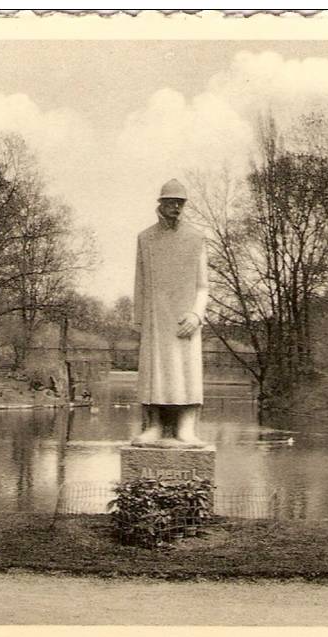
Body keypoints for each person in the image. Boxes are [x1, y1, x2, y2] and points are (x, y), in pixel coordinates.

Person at [132, 178, 208, 446]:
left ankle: (186, 428)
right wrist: (139, 320)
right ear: (161, 204)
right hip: (156, 320)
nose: (176, 207)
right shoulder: (145, 238)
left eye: (181, 202)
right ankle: (154, 426)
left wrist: (196, 316)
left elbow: (203, 286)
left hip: (185, 321)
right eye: (171, 202)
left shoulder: (196, 238)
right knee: (155, 372)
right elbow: (139, 283)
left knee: (186, 373)